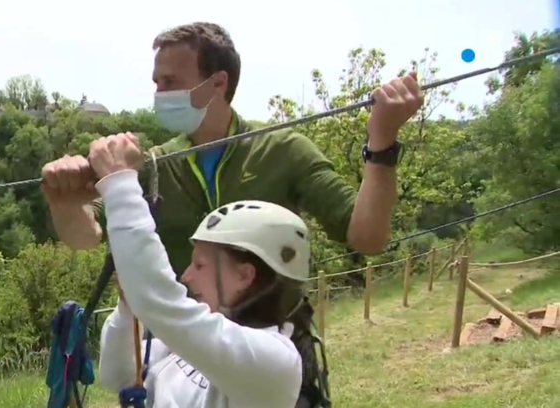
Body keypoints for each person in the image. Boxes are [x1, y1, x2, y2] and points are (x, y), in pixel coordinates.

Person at [41, 22, 424, 277]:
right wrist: (63, 200)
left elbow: (367, 238)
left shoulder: (284, 149)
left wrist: (382, 143)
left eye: (171, 81)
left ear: (218, 82)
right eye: (157, 82)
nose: (159, 95)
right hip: (178, 362)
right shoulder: (152, 166)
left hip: (273, 354)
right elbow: (85, 236)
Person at [88, 133, 325, 408]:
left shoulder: (274, 361)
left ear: (245, 275)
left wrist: (120, 184)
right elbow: (117, 375)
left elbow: (161, 303)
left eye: (200, 265)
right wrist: (130, 308)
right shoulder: (189, 342)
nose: (187, 276)